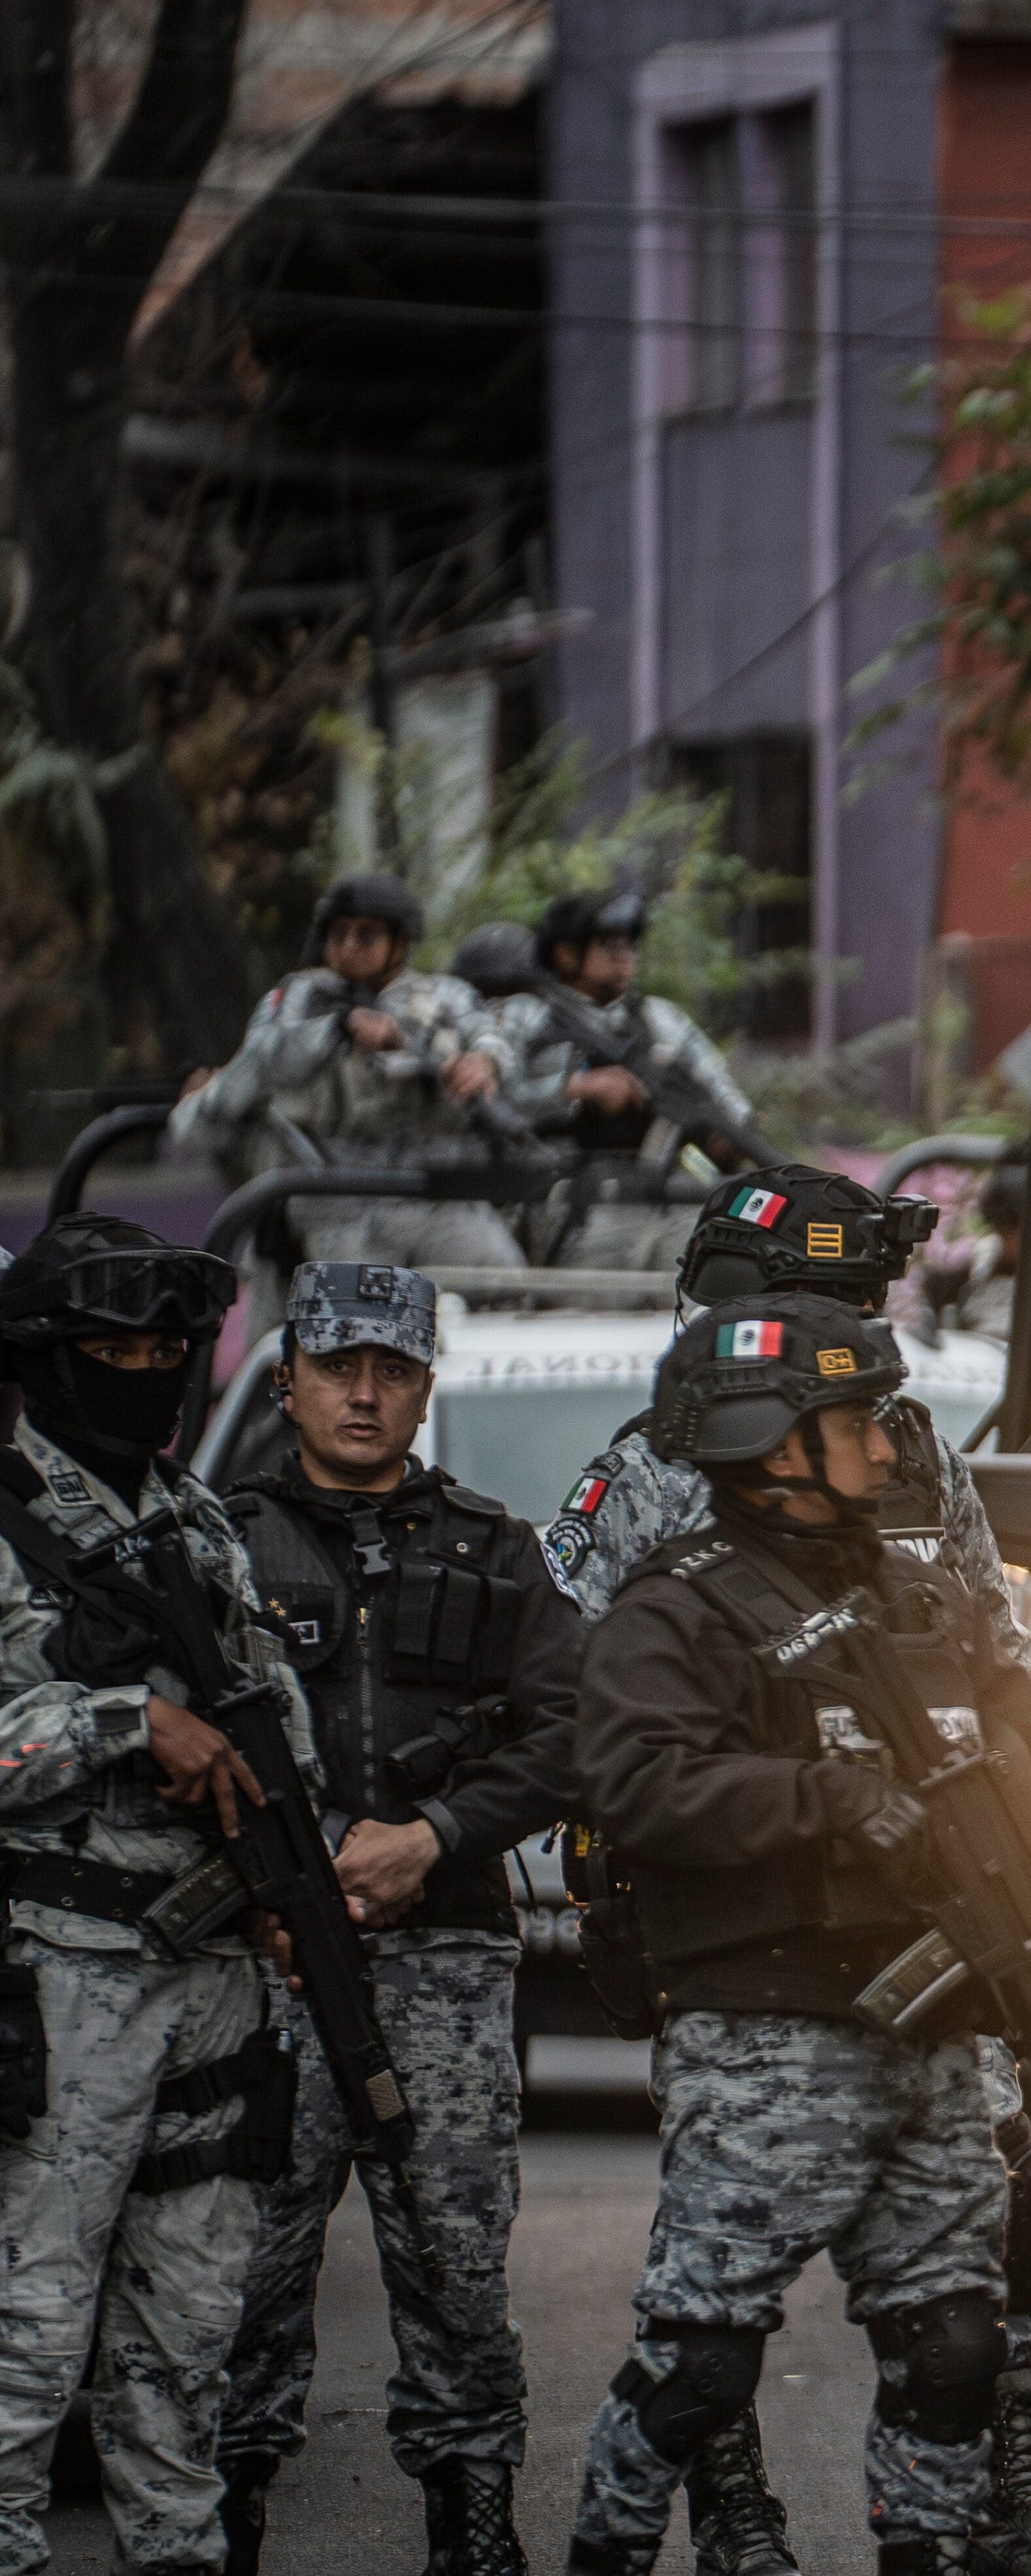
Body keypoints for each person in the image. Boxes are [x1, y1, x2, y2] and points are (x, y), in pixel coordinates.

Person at [542, 1172, 1031, 2576]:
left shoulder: (907, 1449)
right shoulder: (667, 1469)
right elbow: (579, 1712)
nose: (861, 1349)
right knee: (720, 2297)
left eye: (867, 1313)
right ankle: (731, 2519)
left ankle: (1003, 2502)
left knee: (999, 2218)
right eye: (832, 1314)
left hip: (933, 1929)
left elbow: (1003, 1656)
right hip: (755, 1948)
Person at [214, 1264, 582, 2576]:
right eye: (338, 1367)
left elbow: (579, 1730)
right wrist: (254, 1879)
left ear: (427, 1386)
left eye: (392, 1370)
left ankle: (474, 2527)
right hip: (259, 1975)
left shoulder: (494, 1548)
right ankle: (222, 2522)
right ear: (289, 1379)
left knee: (457, 2270)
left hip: (444, 1967)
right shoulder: (216, 1541)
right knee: (240, 2278)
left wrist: (439, 1836)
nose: (364, 1393)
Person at [0, 1215, 318, 2576]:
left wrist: (287, 1874)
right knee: (27, 2341)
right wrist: (127, 1721)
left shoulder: (197, 1520)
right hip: (63, 1982)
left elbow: (269, 1713)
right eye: (114, 1348)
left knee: (188, 2344)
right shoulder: (9, 1520)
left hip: (215, 1984)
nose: (146, 1370)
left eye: (166, 1349)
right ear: (50, 1359)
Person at [192, 874, 532, 1272]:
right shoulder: (300, 997)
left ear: (400, 943)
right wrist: (338, 1028)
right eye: (339, 935)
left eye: (366, 936)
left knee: (503, 1277)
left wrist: (484, 1062)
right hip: (335, 1200)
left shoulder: (445, 996)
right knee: (356, 1308)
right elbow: (259, 1062)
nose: (349, 947)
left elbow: (497, 1037)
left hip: (437, 1196)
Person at [492, 886, 763, 1271]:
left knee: (714, 1274)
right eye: (608, 943)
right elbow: (488, 1101)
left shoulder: (660, 1019)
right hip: (566, 1199)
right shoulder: (526, 1015)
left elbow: (719, 1090)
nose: (625, 955)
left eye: (630, 943)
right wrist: (576, 1090)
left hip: (662, 1191)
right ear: (567, 953)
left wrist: (734, 1133)